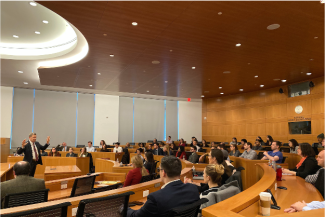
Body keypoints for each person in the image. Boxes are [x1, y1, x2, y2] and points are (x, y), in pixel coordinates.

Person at [127, 156, 200, 217]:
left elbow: (135, 216)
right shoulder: (193, 189)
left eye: (159, 169)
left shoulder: (156, 198)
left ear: (164, 173)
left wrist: (122, 207)